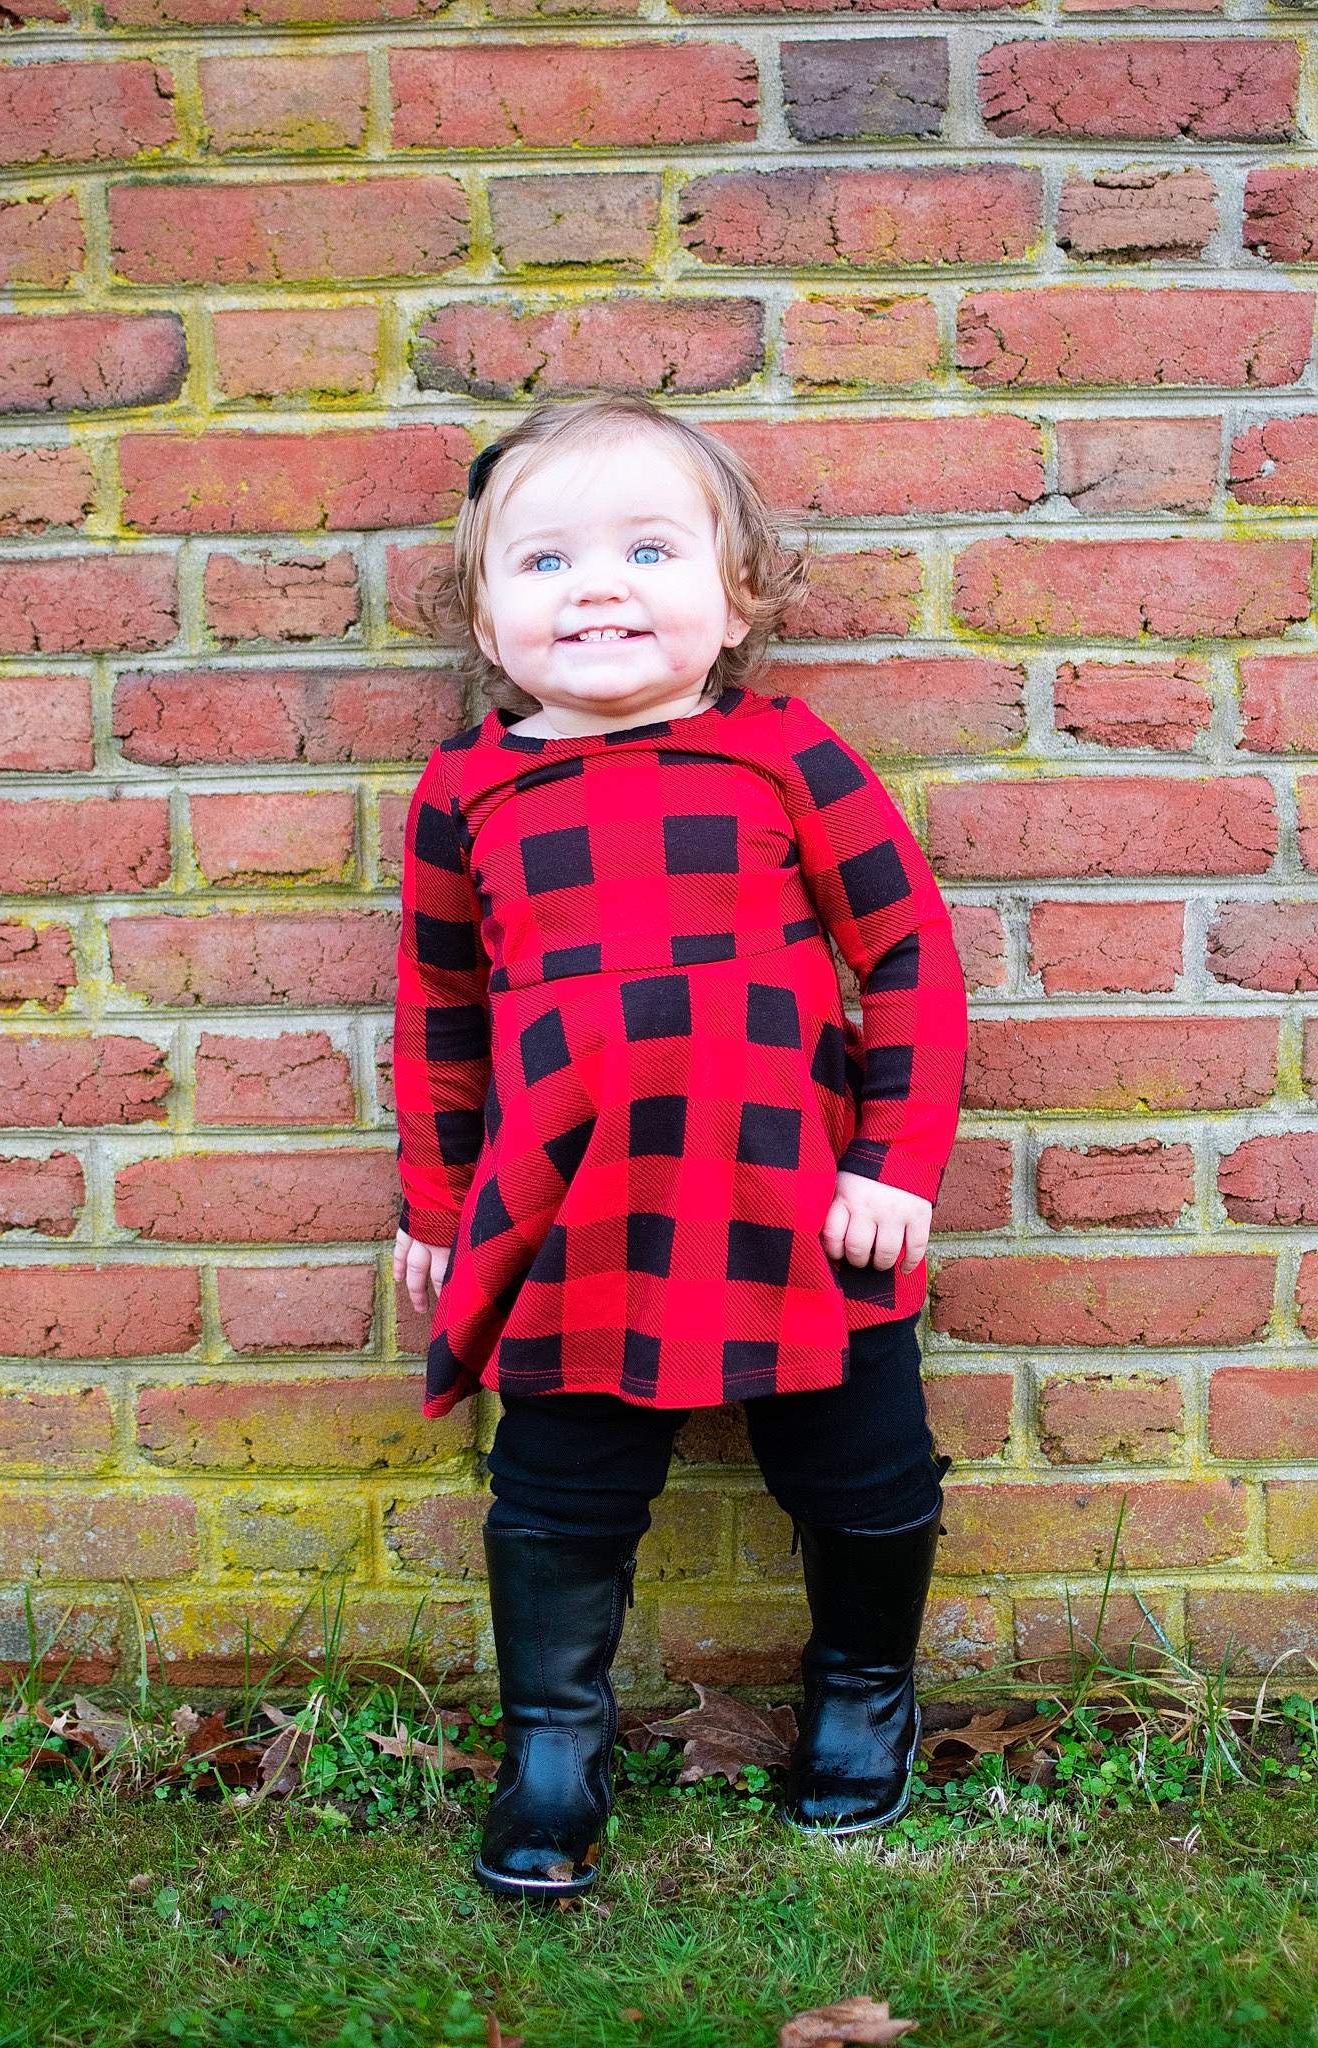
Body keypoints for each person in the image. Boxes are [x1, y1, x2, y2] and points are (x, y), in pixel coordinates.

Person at [391, 395, 968, 1902]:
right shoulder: (465, 793)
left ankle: (860, 1694)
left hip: (800, 1202)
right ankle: (554, 1750)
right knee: (558, 1494)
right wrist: (438, 1203)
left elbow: (906, 955)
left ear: (736, 600)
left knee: (864, 1470)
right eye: (545, 560)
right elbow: (442, 1010)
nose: (596, 586)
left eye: (648, 548)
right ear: (484, 613)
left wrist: (890, 1169)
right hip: (574, 1217)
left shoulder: (781, 754)